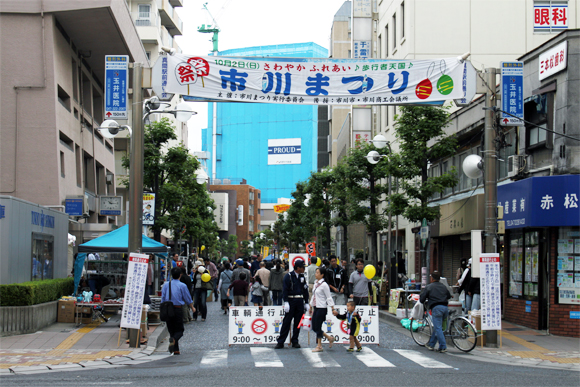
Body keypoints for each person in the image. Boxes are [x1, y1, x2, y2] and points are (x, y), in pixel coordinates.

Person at [275, 260, 309, 349]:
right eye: (303, 267)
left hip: (300, 300)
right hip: (291, 300)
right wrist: (285, 301)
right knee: (287, 321)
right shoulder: (288, 276)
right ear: (298, 268)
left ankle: (295, 340)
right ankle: (281, 341)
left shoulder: (302, 276)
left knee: (298, 322)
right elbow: (285, 289)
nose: (304, 269)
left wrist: (307, 302)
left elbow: (305, 289)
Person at [161, 267, 195, 355]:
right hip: (177, 309)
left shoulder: (166, 285)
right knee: (180, 330)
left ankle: (176, 349)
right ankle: (174, 340)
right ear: (180, 275)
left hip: (167, 309)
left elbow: (163, 298)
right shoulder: (182, 286)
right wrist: (192, 307)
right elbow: (187, 298)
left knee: (171, 329)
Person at [419, 270, 451, 353]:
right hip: (445, 308)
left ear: (432, 278)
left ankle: (443, 346)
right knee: (438, 327)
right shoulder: (443, 286)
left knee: (438, 328)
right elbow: (448, 295)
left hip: (437, 309)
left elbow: (422, 299)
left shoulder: (429, 287)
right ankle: (431, 344)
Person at [310, 267, 336, 352]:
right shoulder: (315, 283)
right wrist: (311, 305)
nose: (315, 274)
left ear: (322, 275)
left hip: (322, 308)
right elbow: (314, 295)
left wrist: (332, 308)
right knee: (314, 326)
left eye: (317, 273)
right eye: (316, 272)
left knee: (318, 326)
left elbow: (329, 297)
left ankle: (319, 345)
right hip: (316, 307)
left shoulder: (324, 285)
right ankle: (329, 338)